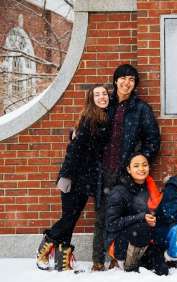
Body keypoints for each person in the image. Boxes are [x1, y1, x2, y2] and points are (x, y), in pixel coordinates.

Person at [36, 85, 111, 271]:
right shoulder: (89, 120)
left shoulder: (103, 118)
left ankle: (62, 263)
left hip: (86, 181)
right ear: (91, 99)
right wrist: (66, 176)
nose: (102, 97)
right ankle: (45, 246)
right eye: (97, 94)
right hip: (74, 178)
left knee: (72, 218)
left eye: (104, 94)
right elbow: (74, 150)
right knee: (68, 219)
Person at [98, 64, 161, 267]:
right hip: (104, 170)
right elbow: (89, 127)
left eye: (132, 80)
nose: (127, 83)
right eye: (123, 78)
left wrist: (138, 163)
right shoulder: (106, 105)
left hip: (127, 173)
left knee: (126, 212)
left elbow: (153, 139)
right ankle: (99, 259)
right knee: (102, 214)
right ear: (115, 81)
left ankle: (119, 255)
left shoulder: (141, 109)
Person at [105, 153, 169, 275]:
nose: (141, 169)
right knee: (142, 228)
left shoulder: (150, 188)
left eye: (144, 165)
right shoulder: (119, 191)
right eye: (136, 166)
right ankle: (127, 264)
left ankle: (141, 261)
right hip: (120, 242)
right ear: (129, 169)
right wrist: (141, 218)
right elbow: (111, 224)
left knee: (162, 271)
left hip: (144, 240)